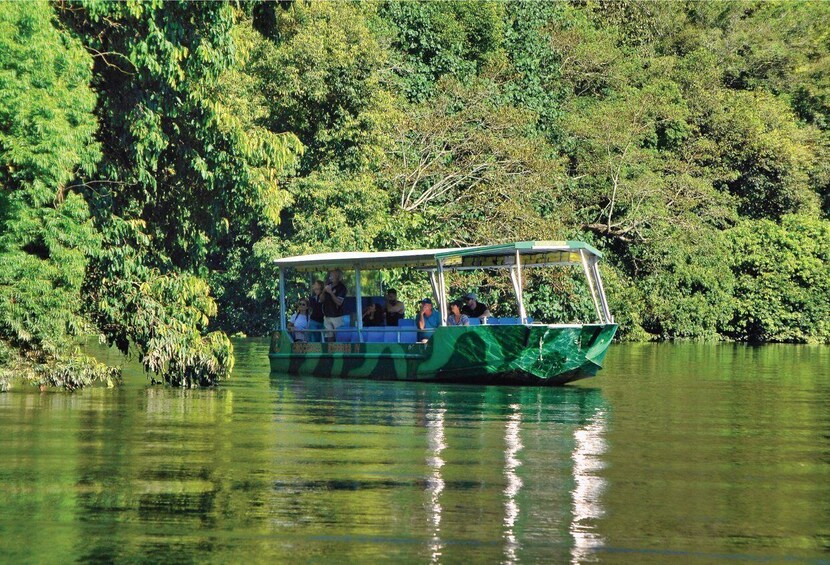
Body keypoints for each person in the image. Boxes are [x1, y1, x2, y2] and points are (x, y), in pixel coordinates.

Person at [321, 269, 347, 341]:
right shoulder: (328, 285)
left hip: (337, 316)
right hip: (327, 316)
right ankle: (330, 351)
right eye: (330, 275)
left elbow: (339, 302)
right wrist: (324, 291)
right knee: (329, 336)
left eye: (333, 275)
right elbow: (321, 300)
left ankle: (339, 351)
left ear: (338, 277)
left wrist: (331, 292)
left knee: (338, 336)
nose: (331, 277)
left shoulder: (342, 288)